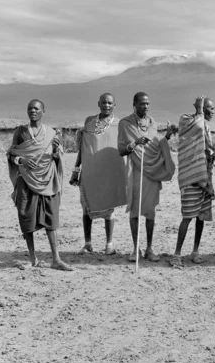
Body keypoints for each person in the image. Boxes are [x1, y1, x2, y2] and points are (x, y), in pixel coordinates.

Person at [7, 99, 73, 271]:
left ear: (44, 111)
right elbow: (11, 155)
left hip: (47, 179)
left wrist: (57, 152)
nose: (32, 111)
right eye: (30, 108)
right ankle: (32, 258)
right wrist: (22, 160)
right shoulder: (20, 132)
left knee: (51, 218)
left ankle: (56, 259)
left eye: (36, 108)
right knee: (26, 216)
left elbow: (57, 158)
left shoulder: (51, 134)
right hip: (25, 180)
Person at [118, 92, 177, 262]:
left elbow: (156, 146)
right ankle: (136, 248)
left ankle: (150, 248)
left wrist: (167, 136)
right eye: (142, 103)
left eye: (148, 104)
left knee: (150, 211)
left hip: (152, 173)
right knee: (135, 211)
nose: (145, 106)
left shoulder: (152, 123)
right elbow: (121, 150)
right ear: (134, 104)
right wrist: (135, 143)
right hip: (136, 171)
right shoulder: (126, 123)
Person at [69, 93, 126, 255]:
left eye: (109, 103)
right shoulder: (89, 121)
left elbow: (124, 148)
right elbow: (83, 148)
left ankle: (109, 244)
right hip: (89, 173)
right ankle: (88, 244)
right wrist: (76, 170)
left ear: (115, 105)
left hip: (109, 173)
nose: (106, 105)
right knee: (87, 209)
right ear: (98, 104)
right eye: (103, 103)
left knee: (109, 208)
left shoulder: (120, 124)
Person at [171, 95, 215, 267]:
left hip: (205, 176)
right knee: (188, 216)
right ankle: (177, 253)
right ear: (201, 108)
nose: (213, 111)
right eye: (210, 108)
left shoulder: (206, 126)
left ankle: (195, 250)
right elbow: (196, 126)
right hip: (191, 176)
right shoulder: (187, 120)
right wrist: (198, 110)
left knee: (201, 217)